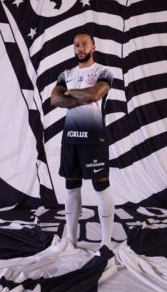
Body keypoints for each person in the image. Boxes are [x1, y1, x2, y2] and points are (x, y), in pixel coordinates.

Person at [50, 33, 114, 249]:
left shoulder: (103, 71)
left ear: (93, 47)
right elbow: (55, 99)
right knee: (71, 188)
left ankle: (106, 243)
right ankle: (71, 240)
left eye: (84, 44)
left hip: (94, 138)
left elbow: (95, 95)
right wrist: (79, 95)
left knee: (101, 188)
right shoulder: (66, 74)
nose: (80, 48)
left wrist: (69, 93)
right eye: (76, 45)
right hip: (70, 138)